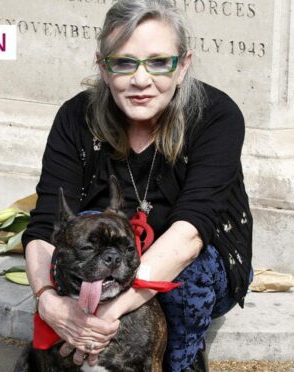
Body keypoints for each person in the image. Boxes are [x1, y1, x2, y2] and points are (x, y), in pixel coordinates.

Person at [21, 0, 252, 370]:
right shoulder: (75, 117)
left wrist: (106, 315)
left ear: (183, 66)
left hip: (195, 259)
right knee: (86, 232)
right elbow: (45, 224)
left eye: (160, 62)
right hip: (109, 257)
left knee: (190, 275)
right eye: (124, 63)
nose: (141, 80)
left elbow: (190, 235)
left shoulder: (216, 116)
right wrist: (49, 301)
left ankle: (181, 360)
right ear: (103, 66)